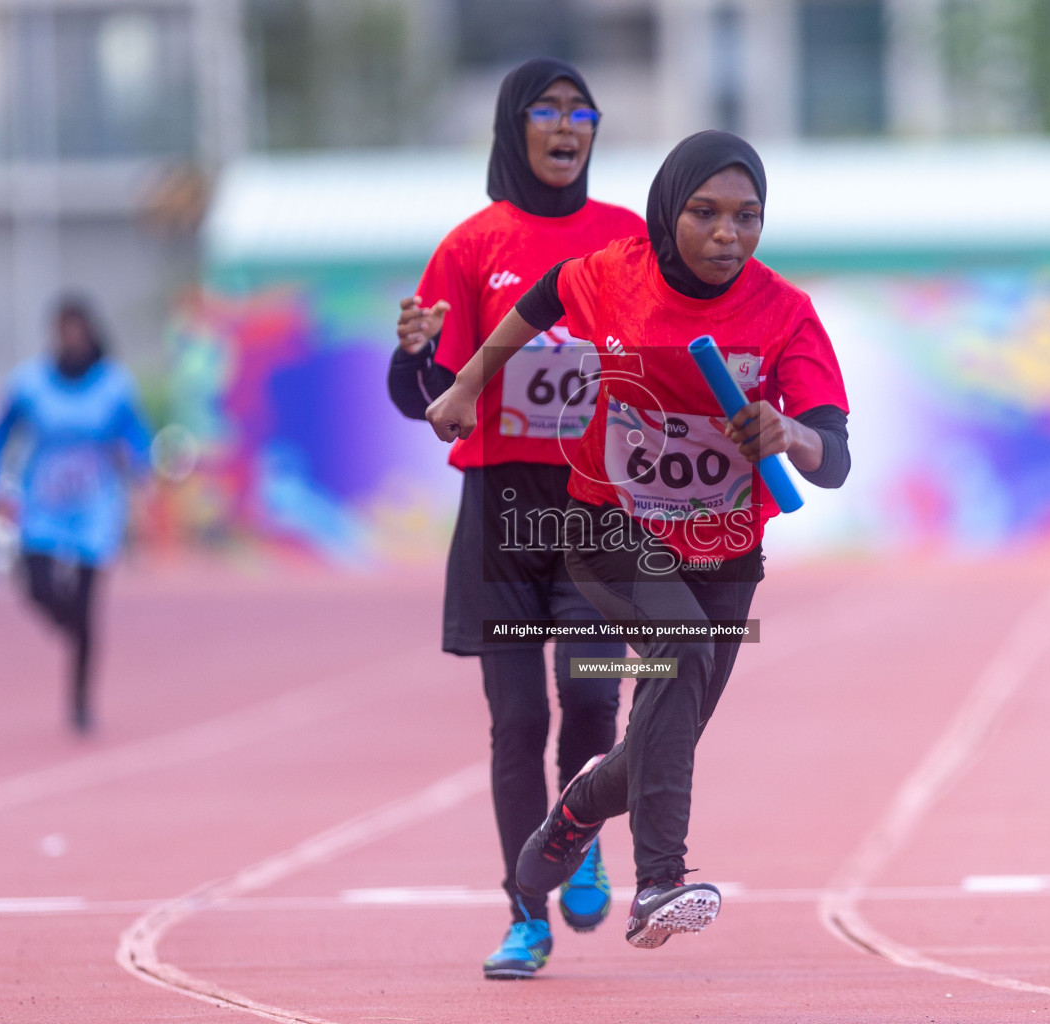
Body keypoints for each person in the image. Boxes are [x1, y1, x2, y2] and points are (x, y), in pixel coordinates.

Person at [426, 130, 851, 949]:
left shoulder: (783, 314)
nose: (728, 234)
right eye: (705, 213)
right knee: (680, 650)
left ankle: (578, 807)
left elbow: (832, 457)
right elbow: (543, 297)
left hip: (725, 545)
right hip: (607, 524)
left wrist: (789, 435)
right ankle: (659, 881)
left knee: (669, 728)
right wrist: (469, 383)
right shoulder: (615, 275)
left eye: (747, 216)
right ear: (668, 212)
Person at [386, 57, 642, 979]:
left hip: (597, 510)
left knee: (589, 694)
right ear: (514, 127)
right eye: (549, 109)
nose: (569, 124)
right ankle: (522, 914)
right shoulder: (471, 246)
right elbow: (422, 396)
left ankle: (582, 835)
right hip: (499, 509)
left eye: (583, 110)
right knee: (518, 721)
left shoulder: (627, 238)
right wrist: (412, 355)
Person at [0, 296, 150, 734]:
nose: (70, 338)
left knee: (88, 606)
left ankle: (79, 704)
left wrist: (142, 463)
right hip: (44, 504)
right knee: (37, 585)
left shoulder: (114, 385)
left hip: (95, 506)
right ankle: (67, 625)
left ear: (90, 331)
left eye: (77, 329)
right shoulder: (30, 383)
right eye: (63, 329)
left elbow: (135, 433)